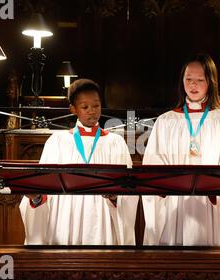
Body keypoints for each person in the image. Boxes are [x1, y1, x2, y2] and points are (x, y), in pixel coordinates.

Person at [142, 54, 220, 247]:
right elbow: (153, 164)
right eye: (189, 79)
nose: (193, 85)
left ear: (211, 82)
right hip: (177, 206)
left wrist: (216, 189)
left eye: (200, 80)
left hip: (212, 204)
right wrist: (165, 187)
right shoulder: (166, 121)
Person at [19, 79, 139, 245]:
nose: (92, 111)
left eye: (96, 106)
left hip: (102, 219)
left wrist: (115, 197)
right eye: (85, 107)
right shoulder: (57, 142)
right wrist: (37, 198)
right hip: (65, 220)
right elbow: (42, 187)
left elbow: (129, 189)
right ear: (73, 109)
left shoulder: (115, 142)